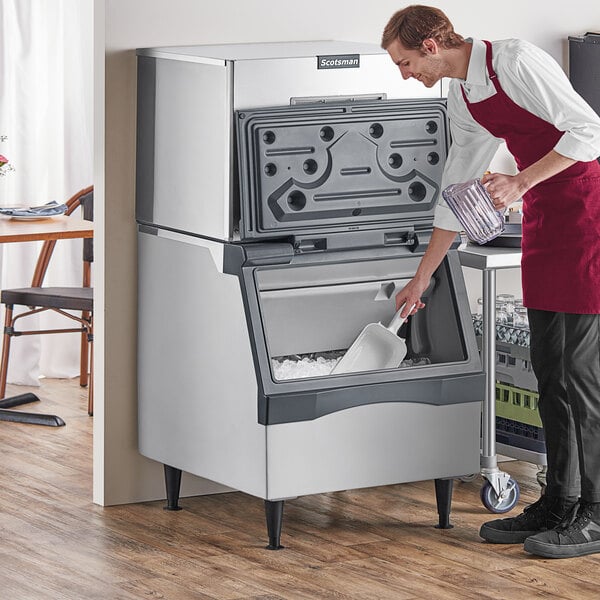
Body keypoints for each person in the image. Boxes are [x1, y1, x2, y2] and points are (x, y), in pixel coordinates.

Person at [381, 5, 600, 559]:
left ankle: (596, 513)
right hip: (546, 218)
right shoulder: (463, 96)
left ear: (431, 44)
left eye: (406, 63)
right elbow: (457, 187)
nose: (405, 75)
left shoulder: (516, 60)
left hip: (589, 211)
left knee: (579, 370)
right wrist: (420, 279)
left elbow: (590, 131)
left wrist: (521, 181)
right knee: (548, 370)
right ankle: (560, 501)